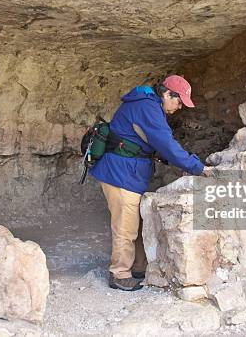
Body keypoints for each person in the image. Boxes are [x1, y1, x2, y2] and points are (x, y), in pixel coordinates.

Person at [89, 75, 214, 291]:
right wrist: (198, 167)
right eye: (179, 101)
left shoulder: (148, 105)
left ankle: (139, 267)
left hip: (128, 173)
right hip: (120, 173)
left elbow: (145, 142)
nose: (179, 107)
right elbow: (166, 143)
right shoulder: (148, 108)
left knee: (134, 221)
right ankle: (119, 273)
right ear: (167, 94)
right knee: (125, 227)